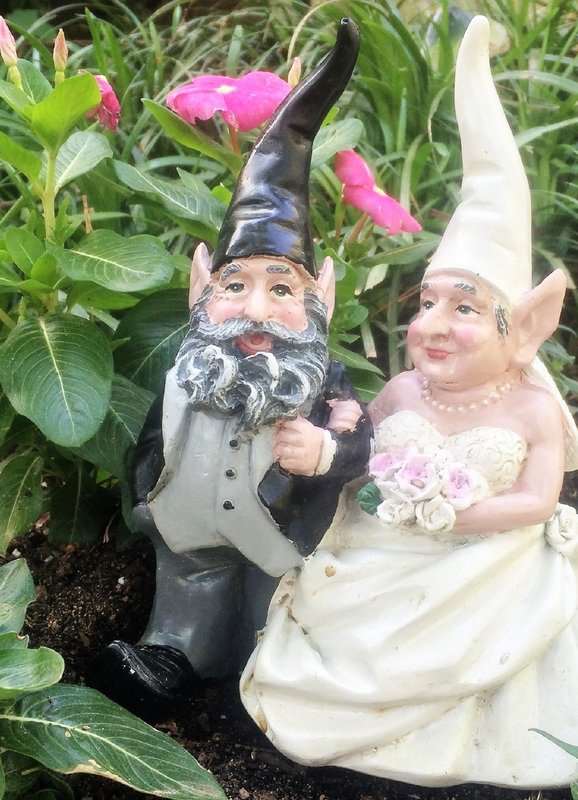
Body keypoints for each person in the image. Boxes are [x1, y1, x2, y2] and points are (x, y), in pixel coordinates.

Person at [239, 16, 578, 789]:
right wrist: (341, 455)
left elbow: (536, 501)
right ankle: (346, 721)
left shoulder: (530, 411)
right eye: (426, 302)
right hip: (381, 556)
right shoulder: (401, 391)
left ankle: (489, 741)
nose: (431, 325)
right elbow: (361, 459)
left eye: (463, 309)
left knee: (506, 653)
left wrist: (452, 513)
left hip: (490, 575)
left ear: (524, 330)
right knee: (348, 617)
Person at [88, 19, 372, 724]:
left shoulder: (322, 381)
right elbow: (153, 437)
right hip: (186, 534)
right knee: (186, 602)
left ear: (322, 298)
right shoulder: (188, 368)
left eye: (282, 290)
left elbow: (359, 442)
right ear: (201, 288)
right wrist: (145, 497)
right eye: (236, 286)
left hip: (281, 537)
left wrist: (328, 451)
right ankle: (171, 660)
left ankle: (266, 685)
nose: (256, 309)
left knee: (271, 613)